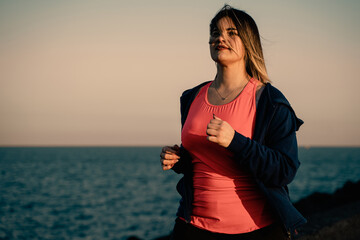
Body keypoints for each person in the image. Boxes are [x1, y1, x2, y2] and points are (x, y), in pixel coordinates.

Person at [160, 5, 306, 240]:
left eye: (231, 33)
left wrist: (236, 141)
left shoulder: (270, 101)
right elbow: (201, 162)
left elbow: (284, 170)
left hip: (256, 230)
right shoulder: (191, 97)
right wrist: (179, 159)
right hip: (193, 226)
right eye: (215, 32)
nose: (220, 38)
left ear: (248, 42)